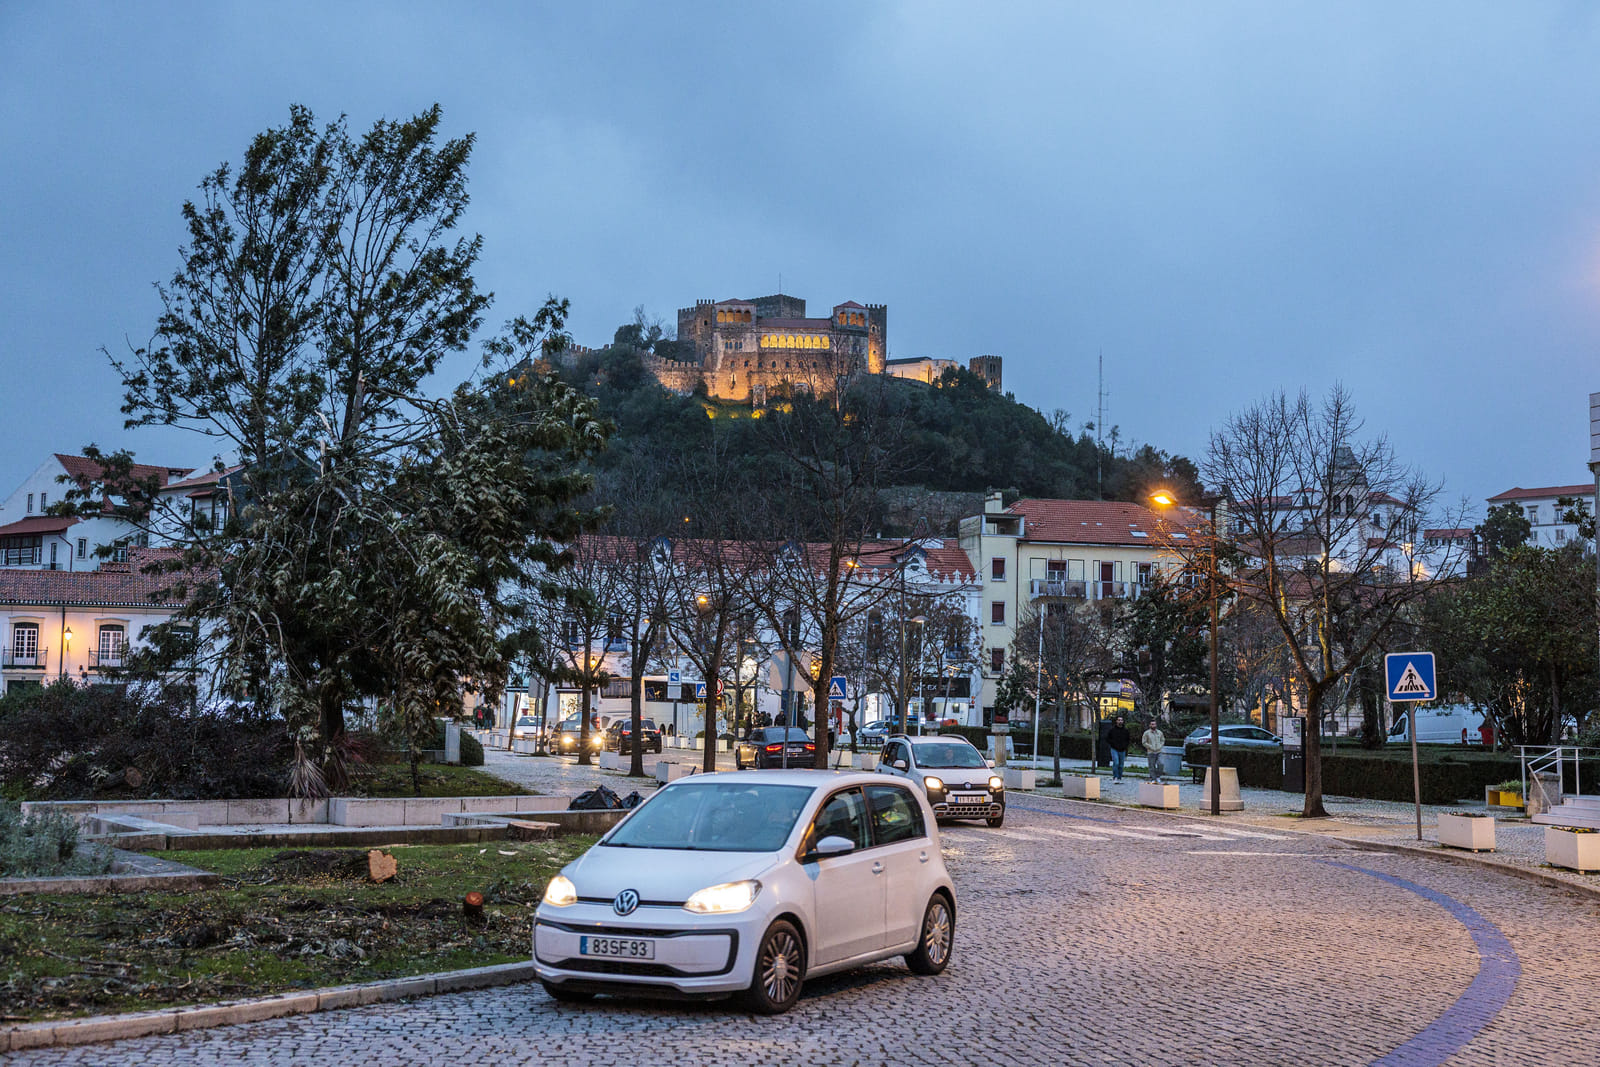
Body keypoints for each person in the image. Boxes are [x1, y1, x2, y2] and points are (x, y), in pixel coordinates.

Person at [1107, 716, 1131, 781]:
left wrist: (1125, 746)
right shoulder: (1112, 730)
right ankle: (1115, 776)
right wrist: (1113, 744)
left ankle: (1119, 777)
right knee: (1116, 763)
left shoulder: (1125, 731)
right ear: (1116, 721)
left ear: (1123, 721)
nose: (1120, 721)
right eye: (1119, 720)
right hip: (1114, 749)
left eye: (1121, 720)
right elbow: (1108, 738)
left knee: (1121, 765)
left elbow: (1128, 740)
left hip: (1122, 749)